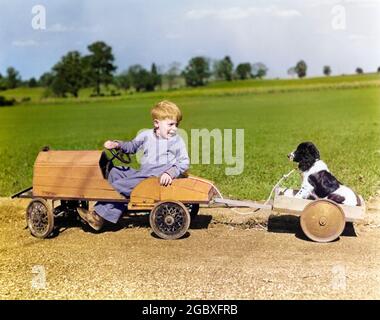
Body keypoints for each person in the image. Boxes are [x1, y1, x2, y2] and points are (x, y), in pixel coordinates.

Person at [77, 100, 190, 231]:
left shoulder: (176, 140)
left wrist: (169, 173)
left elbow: (183, 162)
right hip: (143, 174)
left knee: (118, 186)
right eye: (170, 124)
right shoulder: (146, 135)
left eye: (176, 124)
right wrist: (117, 144)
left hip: (155, 180)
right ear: (157, 123)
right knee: (116, 172)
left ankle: (98, 218)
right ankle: (116, 210)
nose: (174, 129)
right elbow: (132, 146)